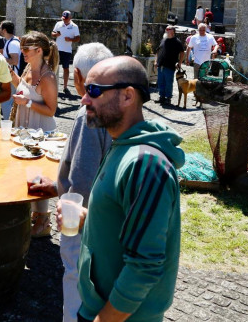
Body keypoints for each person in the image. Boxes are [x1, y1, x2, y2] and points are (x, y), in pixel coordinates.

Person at [72, 56, 184, 322]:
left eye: (94, 91)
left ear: (127, 96)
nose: (84, 100)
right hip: (99, 308)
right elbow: (124, 226)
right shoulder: (121, 145)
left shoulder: (145, 164)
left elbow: (144, 267)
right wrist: (87, 219)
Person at [27, 42, 113, 322]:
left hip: (86, 226)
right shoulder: (117, 109)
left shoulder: (86, 114)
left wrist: (70, 225)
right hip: (107, 219)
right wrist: (54, 186)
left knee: (77, 292)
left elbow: (82, 182)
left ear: (77, 75)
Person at [9, 32, 59, 237]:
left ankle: (44, 221)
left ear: (39, 51)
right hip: (26, 127)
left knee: (41, 175)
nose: (22, 52)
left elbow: (51, 110)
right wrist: (10, 73)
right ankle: (34, 214)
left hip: (41, 129)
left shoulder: (48, 77)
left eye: (26, 49)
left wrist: (27, 103)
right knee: (29, 173)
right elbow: (22, 87)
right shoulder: (29, 68)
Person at [50, 10, 80, 94]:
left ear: (70, 18)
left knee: (66, 68)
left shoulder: (74, 26)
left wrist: (70, 39)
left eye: (66, 19)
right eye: (63, 18)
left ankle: (65, 87)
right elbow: (52, 33)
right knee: (54, 67)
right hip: (57, 49)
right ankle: (53, 86)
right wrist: (55, 35)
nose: (64, 20)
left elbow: (78, 38)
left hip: (67, 50)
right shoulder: (58, 24)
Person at [155, 25, 185, 106]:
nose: (166, 30)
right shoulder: (163, 40)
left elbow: (182, 53)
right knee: (161, 82)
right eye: (166, 29)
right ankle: (161, 97)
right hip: (160, 65)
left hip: (170, 65)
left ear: (173, 31)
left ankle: (168, 98)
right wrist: (155, 61)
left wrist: (179, 62)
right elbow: (157, 51)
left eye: (168, 29)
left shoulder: (177, 42)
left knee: (168, 82)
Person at [0, 20, 21, 120]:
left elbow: (15, 61)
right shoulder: (11, 41)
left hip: (12, 78)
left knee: (5, 103)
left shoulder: (12, 44)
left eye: (0, 27)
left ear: (4, 30)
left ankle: (8, 123)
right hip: (11, 77)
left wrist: (1, 58)